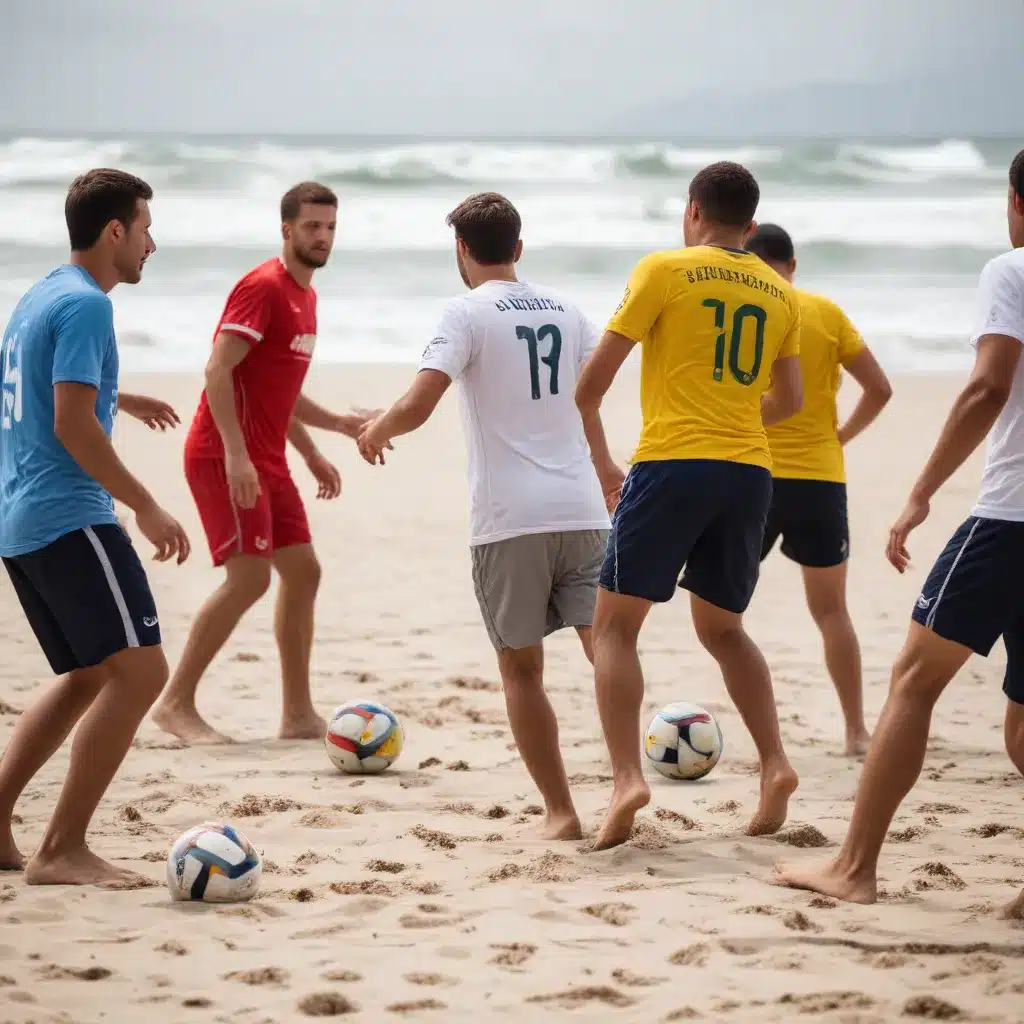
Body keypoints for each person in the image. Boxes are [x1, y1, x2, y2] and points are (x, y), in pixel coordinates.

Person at [776, 150, 1024, 920]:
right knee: (1020, 724)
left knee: (914, 679)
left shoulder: (1013, 268)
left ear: (1016, 202)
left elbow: (988, 385)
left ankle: (855, 866)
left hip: (1013, 520)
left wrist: (919, 495)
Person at [357, 192, 624, 840]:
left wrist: (376, 428)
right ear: (520, 248)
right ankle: (627, 779)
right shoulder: (568, 310)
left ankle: (561, 813)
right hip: (583, 506)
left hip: (511, 518)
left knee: (521, 671)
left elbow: (420, 403)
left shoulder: (465, 312)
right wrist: (607, 468)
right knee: (609, 647)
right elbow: (590, 398)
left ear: (462, 251)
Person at [576, 161, 805, 851]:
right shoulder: (779, 289)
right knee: (725, 630)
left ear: (692, 211)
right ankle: (775, 765)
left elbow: (589, 387)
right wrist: (732, 418)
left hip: (672, 463)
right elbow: (789, 402)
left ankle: (626, 781)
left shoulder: (663, 270)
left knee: (614, 627)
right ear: (753, 225)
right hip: (749, 474)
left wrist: (605, 463)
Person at [0, 168, 190, 885]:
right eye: (145, 228)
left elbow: (20, 383)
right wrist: (144, 503)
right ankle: (63, 848)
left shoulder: (39, 295)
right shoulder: (87, 306)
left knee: (87, 676)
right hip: (69, 514)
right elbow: (72, 424)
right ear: (115, 231)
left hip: (19, 521)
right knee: (143, 672)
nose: (152, 243)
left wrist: (120, 392)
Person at [152, 182, 376, 745]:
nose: (322, 237)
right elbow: (217, 372)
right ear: (286, 230)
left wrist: (323, 442)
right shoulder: (263, 288)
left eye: (329, 228)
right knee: (249, 578)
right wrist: (234, 453)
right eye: (311, 227)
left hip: (267, 458)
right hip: (221, 455)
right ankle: (175, 704)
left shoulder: (307, 297)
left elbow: (277, 390)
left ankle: (297, 715)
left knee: (303, 571)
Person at [746, 224, 892, 756]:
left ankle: (762, 737)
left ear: (749, 259)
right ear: (793, 263)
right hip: (820, 479)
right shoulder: (826, 312)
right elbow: (879, 388)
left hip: (754, 473)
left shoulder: (751, 307)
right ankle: (855, 730)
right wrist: (840, 437)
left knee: (721, 613)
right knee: (831, 611)